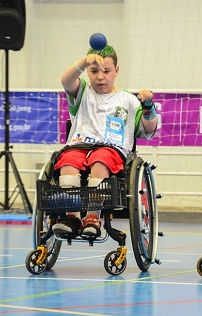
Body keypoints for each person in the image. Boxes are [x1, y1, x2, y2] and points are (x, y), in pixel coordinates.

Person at [52, 44, 158, 238]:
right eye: (94, 71)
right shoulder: (82, 91)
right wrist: (83, 62)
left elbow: (149, 129)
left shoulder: (129, 100)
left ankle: (93, 217)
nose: (100, 76)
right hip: (79, 145)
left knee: (100, 160)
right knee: (67, 161)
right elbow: (66, 81)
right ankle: (71, 216)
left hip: (111, 149)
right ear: (87, 72)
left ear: (116, 71)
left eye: (106, 71)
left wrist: (148, 106)